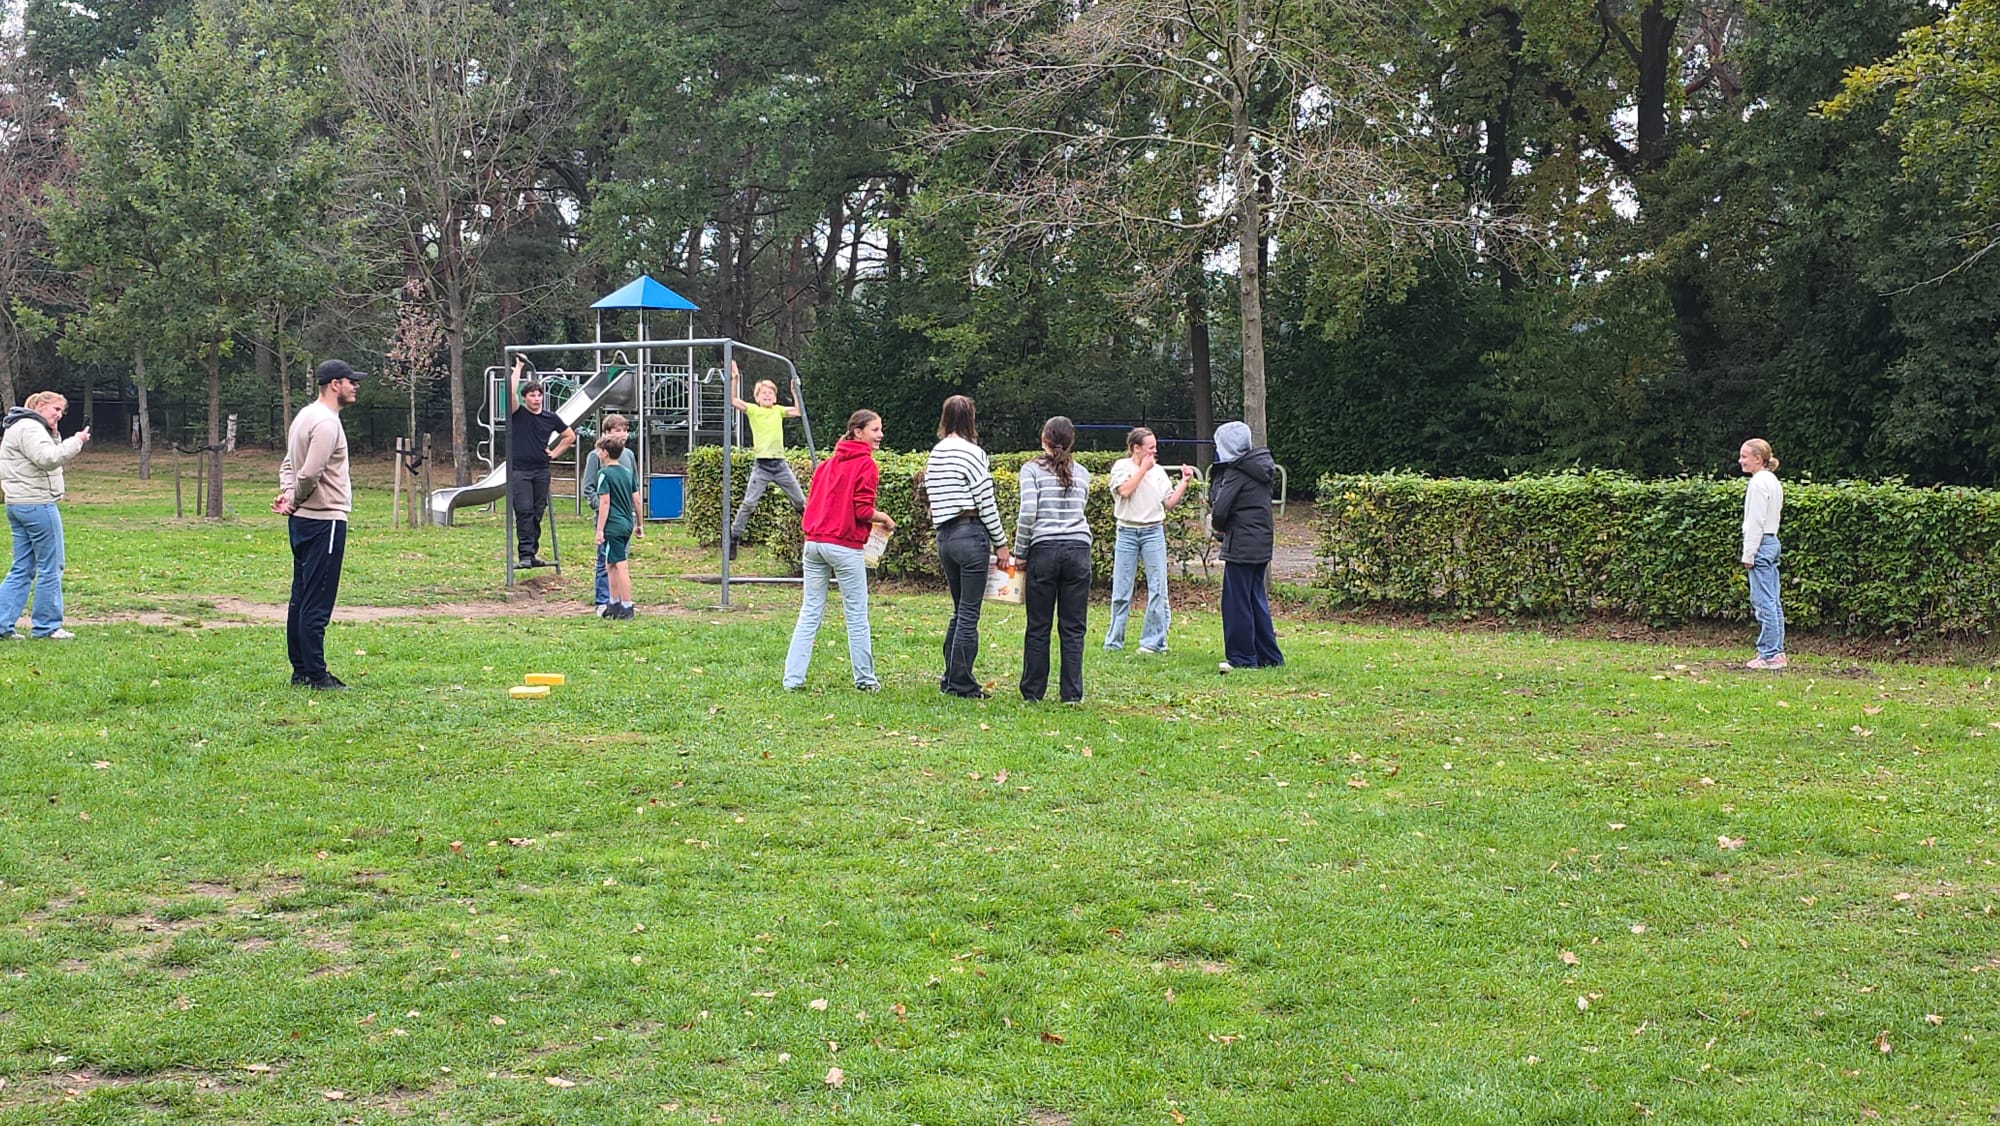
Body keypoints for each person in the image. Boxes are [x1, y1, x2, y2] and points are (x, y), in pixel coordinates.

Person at [784, 409, 896, 691]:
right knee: (856, 614)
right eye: (875, 430)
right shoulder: (866, 465)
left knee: (810, 611)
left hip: (813, 543)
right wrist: (883, 518)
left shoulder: (825, 465)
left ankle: (792, 679)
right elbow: (862, 511)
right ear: (858, 432)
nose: (880, 435)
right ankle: (865, 680)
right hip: (844, 546)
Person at [274, 360, 362, 689]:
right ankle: (317, 674)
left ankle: (300, 669)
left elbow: (288, 465)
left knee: (300, 596)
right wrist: (295, 498)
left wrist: (288, 495)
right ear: (334, 384)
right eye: (351, 381)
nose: (355, 386)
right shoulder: (326, 423)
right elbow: (310, 472)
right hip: (325, 520)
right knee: (317, 599)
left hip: (302, 522)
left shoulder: (305, 416)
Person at [925, 395, 1012, 698]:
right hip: (970, 532)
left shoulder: (936, 453)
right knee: (969, 614)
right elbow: (986, 501)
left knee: (958, 610)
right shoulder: (973, 453)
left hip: (945, 536)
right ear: (970, 419)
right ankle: (961, 682)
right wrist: (1001, 543)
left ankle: (951, 676)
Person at [0, 391, 90, 640]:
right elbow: (48, 458)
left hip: (17, 504)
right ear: (40, 405)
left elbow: (43, 454)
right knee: (51, 566)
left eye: (62, 411)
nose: (59, 415)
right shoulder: (30, 428)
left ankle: (2, 624)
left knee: (22, 567)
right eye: (56, 409)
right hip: (37, 504)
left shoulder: (19, 426)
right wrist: (77, 441)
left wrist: (54, 434)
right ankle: (47, 626)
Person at [1014, 416, 1092, 703]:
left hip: (1044, 548)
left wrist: (1020, 551)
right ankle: (1071, 693)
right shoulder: (1082, 472)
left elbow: (1027, 513)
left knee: (1038, 625)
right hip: (1078, 548)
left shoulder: (1031, 470)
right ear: (1071, 441)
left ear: (1044, 439)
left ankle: (1033, 691)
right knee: (1073, 627)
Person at [1103, 425, 1194, 654]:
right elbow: (1124, 491)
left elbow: (1169, 503)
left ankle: (1153, 642)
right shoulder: (1122, 467)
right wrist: (1143, 469)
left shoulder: (1159, 472)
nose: (1154, 452)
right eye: (1150, 448)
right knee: (1121, 590)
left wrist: (1184, 482)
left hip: (1153, 532)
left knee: (1158, 588)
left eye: (1155, 447)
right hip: (1127, 532)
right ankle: (1114, 642)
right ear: (1136, 448)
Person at [1208, 420, 1283, 673]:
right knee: (1255, 599)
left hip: (1240, 543)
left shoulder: (1236, 472)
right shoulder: (1260, 467)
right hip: (1260, 542)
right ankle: (1268, 656)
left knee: (1236, 603)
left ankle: (1242, 657)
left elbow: (1220, 509)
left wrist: (1219, 527)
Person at [726, 368, 806, 561]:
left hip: (780, 465)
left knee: (801, 501)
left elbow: (798, 411)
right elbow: (733, 401)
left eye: (771, 393)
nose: (767, 395)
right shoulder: (754, 410)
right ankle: (734, 536)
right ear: (757, 398)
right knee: (749, 503)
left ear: (775, 398)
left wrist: (794, 391)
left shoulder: (778, 411)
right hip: (762, 466)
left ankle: (813, 531)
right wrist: (734, 379)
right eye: (763, 393)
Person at [507, 355, 576, 568]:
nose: (536, 399)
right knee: (524, 510)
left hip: (541, 470)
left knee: (537, 511)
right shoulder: (517, 413)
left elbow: (569, 436)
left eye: (539, 395)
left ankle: (532, 553)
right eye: (532, 395)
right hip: (519, 471)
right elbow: (510, 393)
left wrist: (555, 453)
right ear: (525, 398)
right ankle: (525, 554)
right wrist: (518, 367)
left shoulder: (550, 417)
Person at [581, 414, 641, 615]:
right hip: (607, 517)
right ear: (606, 433)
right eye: (617, 430)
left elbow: (634, 489)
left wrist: (637, 519)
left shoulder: (628, 455)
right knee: (605, 560)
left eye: (625, 430)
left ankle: (622, 602)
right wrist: (600, 508)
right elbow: (589, 488)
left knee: (619, 560)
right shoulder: (596, 456)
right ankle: (604, 599)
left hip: (623, 518)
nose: (622, 434)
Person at [1739, 437, 1786, 670]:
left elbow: (1755, 521)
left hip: (1761, 543)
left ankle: (1770, 654)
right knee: (1772, 600)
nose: (1741, 461)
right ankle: (1776, 652)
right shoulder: (1772, 480)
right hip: (1771, 541)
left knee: (1763, 602)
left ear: (1758, 459)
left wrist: (1749, 554)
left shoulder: (1758, 483)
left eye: (1744, 456)